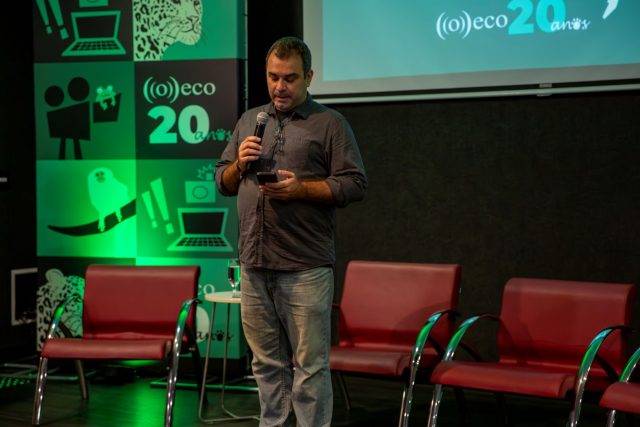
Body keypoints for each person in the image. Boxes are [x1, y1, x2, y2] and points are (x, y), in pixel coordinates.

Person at [215, 36, 367, 426]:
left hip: (305, 267)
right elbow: (222, 181)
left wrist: (301, 189)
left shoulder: (330, 124)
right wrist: (239, 165)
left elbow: (354, 184)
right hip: (254, 265)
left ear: (309, 77)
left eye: (290, 78)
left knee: (309, 367)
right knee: (266, 365)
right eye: (273, 77)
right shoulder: (250, 120)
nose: (279, 87)